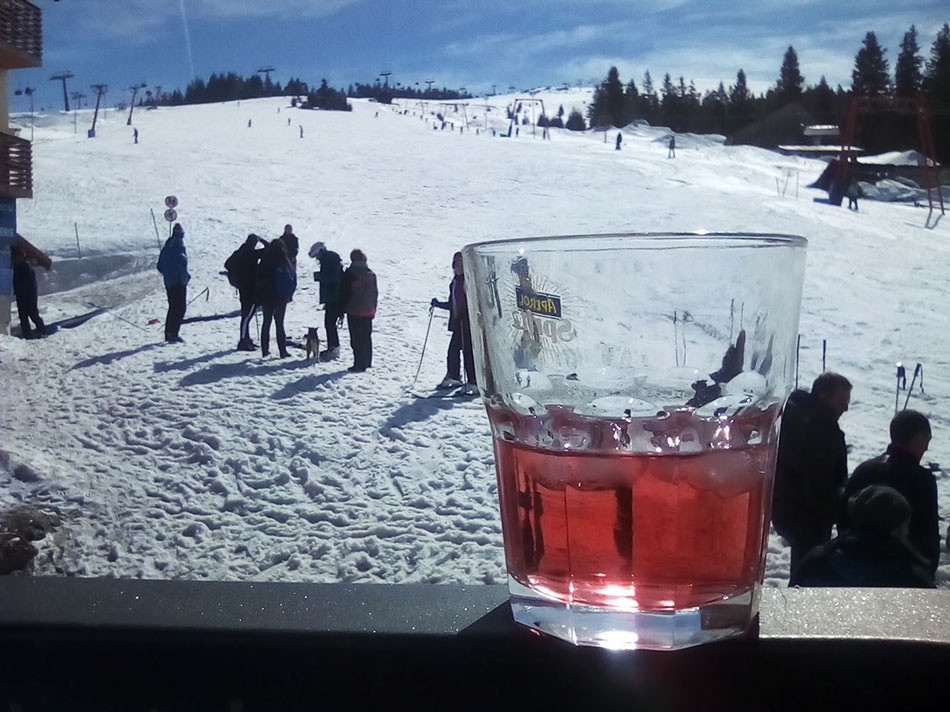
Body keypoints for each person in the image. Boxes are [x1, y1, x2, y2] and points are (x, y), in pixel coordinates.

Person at [839, 410, 937, 577]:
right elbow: (928, 532)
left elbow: (843, 518)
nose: (927, 447)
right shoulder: (921, 479)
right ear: (918, 438)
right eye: (927, 439)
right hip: (902, 570)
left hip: (853, 563)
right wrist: (926, 568)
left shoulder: (864, 469)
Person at [771, 372, 851, 578]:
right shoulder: (820, 429)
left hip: (786, 506)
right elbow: (818, 481)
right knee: (807, 569)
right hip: (808, 514)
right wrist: (833, 510)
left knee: (803, 562)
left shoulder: (796, 414)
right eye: (842, 401)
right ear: (824, 395)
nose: (846, 408)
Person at [790, 485, 934, 589]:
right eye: (905, 525)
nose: (907, 532)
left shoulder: (816, 561)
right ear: (893, 529)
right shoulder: (913, 578)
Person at [430, 251, 477, 395]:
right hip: (459, 323)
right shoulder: (455, 282)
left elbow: (475, 301)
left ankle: (473, 382)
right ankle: (455, 376)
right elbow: (453, 304)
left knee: (468, 353)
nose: (458, 266)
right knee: (453, 351)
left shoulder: (468, 281)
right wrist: (438, 304)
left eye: (461, 263)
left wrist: (467, 314)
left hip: (468, 324)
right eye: (456, 263)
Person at [256, 238, 296, 358]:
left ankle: (265, 350)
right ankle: (282, 351)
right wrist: (289, 295)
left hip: (267, 297)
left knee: (266, 322)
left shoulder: (265, 259)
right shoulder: (284, 260)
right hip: (281, 297)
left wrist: (258, 296)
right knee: (280, 323)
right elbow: (293, 277)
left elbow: (259, 278)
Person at [225, 233, 266, 351]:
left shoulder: (239, 252)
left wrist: (238, 276)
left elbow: (227, 264)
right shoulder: (252, 254)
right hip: (251, 288)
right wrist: (262, 240)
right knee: (247, 316)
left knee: (246, 314)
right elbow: (269, 249)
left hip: (243, 287)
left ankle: (246, 338)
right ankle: (243, 341)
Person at [340, 249, 377, 373]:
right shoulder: (371, 273)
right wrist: (373, 309)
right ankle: (367, 361)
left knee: (356, 338)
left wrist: (342, 308)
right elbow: (375, 293)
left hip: (354, 310)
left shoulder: (350, 273)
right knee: (366, 337)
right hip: (368, 310)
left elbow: (345, 293)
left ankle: (358, 364)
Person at [308, 241, 344, 361]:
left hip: (334, 298)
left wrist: (319, 276)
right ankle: (333, 347)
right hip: (334, 297)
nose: (317, 259)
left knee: (329, 323)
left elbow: (333, 278)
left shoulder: (329, 260)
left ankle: (333, 348)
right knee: (329, 323)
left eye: (317, 256)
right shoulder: (331, 259)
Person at [156, 223, 190, 343]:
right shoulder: (179, 247)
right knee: (180, 308)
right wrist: (185, 279)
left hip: (169, 282)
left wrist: (167, 274)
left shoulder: (166, 248)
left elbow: (159, 266)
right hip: (178, 283)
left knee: (172, 307)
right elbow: (182, 266)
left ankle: (168, 333)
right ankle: (173, 333)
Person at [10, 245, 47, 339]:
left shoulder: (27, 269)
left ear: (22, 257)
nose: (15, 260)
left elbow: (29, 284)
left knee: (33, 315)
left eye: (17, 258)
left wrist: (21, 290)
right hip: (20, 296)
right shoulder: (16, 268)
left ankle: (43, 330)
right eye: (14, 258)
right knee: (23, 317)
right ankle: (27, 335)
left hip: (29, 296)